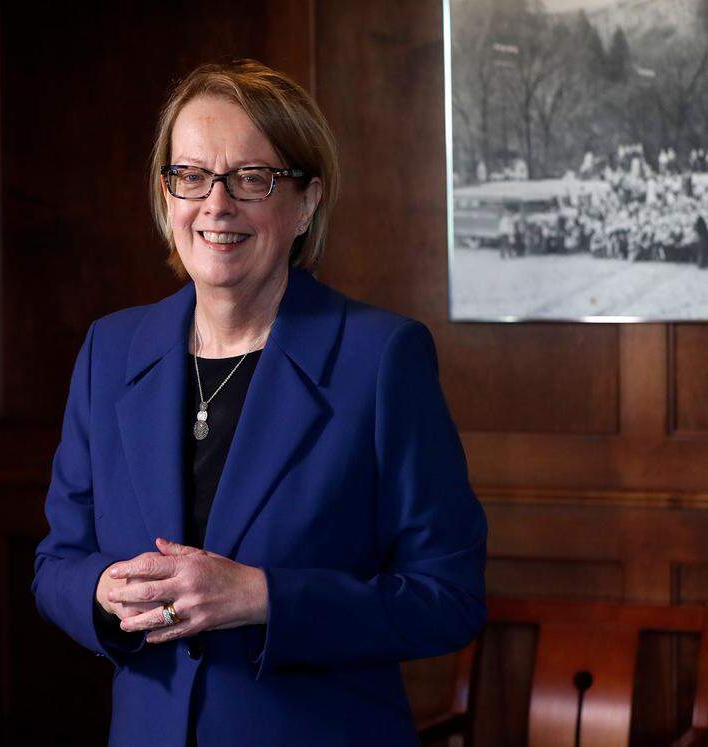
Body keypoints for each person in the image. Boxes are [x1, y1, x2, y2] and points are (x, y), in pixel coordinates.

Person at [31, 60, 488, 747]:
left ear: (306, 202)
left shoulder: (381, 358)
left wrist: (262, 597)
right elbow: (56, 564)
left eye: (251, 178)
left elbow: (449, 598)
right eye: (191, 176)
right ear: (166, 195)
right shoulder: (110, 350)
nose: (216, 205)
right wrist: (100, 590)